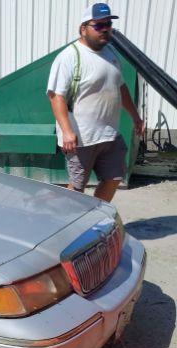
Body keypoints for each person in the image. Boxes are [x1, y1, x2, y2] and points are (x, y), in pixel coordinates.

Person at [47, 3, 144, 202]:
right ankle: (71, 227)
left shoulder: (111, 54)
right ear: (83, 28)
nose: (105, 29)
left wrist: (135, 117)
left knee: (114, 178)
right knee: (77, 188)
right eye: (98, 25)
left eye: (108, 24)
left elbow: (121, 87)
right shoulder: (69, 57)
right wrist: (66, 131)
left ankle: (96, 216)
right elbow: (56, 96)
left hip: (109, 134)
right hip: (81, 138)